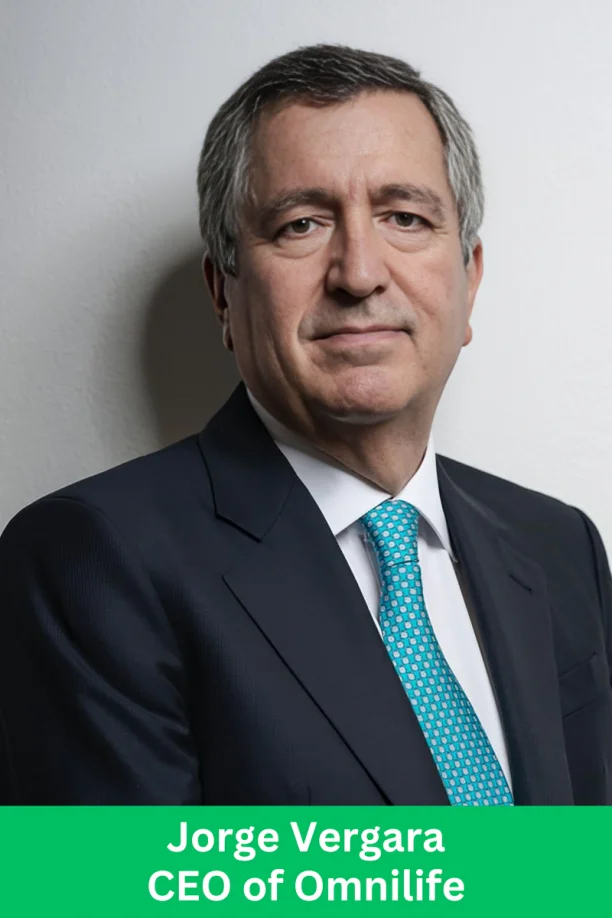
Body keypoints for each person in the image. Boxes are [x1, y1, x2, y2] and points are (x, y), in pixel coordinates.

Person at [0, 44, 611, 806]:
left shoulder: (560, 546)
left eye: (406, 217)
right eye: (300, 224)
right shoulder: (88, 561)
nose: (359, 272)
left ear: (469, 281)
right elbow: (103, 889)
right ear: (223, 293)